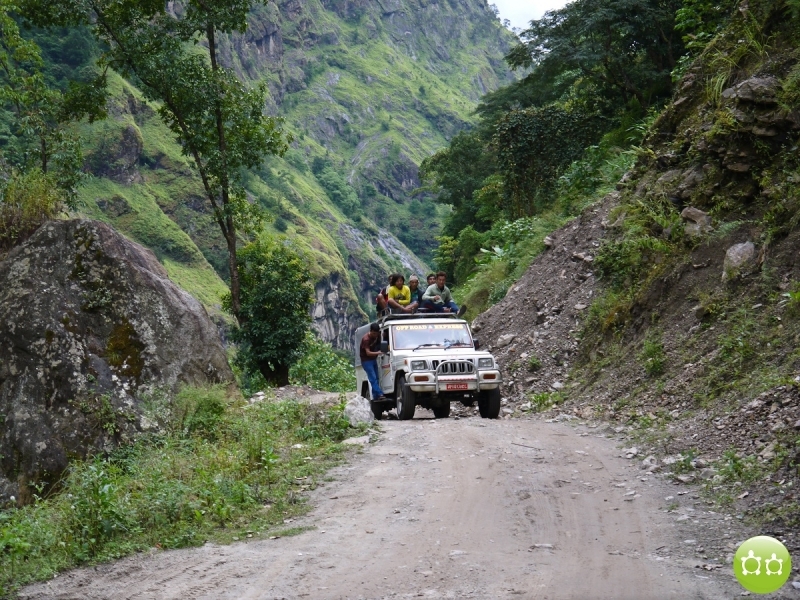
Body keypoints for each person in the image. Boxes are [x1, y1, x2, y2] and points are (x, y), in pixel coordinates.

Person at [360, 322, 385, 401]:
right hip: (366, 361)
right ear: (370, 331)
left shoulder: (377, 336)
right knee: (373, 378)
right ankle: (380, 393)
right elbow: (368, 353)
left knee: (377, 378)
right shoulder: (366, 339)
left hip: (373, 359)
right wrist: (378, 352)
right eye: (374, 333)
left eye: (376, 333)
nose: (375, 335)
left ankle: (375, 396)